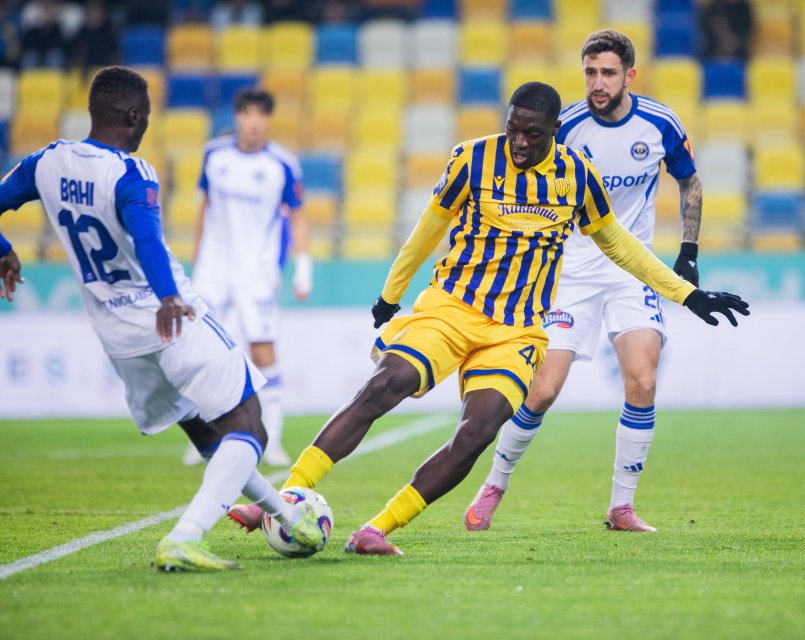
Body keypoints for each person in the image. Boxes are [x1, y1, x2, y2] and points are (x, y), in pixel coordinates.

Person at [226, 81, 749, 555]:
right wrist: (391, 295)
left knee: (477, 432)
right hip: (452, 307)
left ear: (554, 131)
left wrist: (687, 295)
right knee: (386, 384)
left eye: (532, 134)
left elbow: (620, 245)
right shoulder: (472, 159)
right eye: (513, 129)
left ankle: (377, 529)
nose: (519, 142)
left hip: (516, 331)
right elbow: (428, 231)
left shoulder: (576, 176)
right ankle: (283, 497)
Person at [0, 66, 322, 572]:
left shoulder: (47, 161)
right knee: (249, 428)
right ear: (134, 116)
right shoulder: (131, 173)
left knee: (210, 435)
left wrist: (3, 247)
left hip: (116, 336)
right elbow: (146, 238)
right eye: (147, 115)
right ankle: (185, 537)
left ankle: (287, 516)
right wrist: (170, 296)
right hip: (168, 319)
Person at [464, 29, 704, 534]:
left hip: (631, 270)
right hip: (571, 272)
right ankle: (494, 485)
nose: (598, 82)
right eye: (591, 72)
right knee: (542, 390)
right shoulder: (566, 126)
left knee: (643, 380)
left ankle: (621, 506)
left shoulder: (659, 123)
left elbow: (690, 180)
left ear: (629, 75)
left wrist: (688, 251)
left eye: (608, 73)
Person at [183, 87, 311, 468]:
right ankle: (204, 438)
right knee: (204, 353)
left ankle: (272, 441)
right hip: (213, 270)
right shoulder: (214, 155)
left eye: (261, 115)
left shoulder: (282, 164)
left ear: (268, 120)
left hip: (257, 271)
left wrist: (303, 267)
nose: (253, 122)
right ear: (237, 117)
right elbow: (204, 209)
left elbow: (298, 217)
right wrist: (195, 263)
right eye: (247, 114)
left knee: (262, 350)